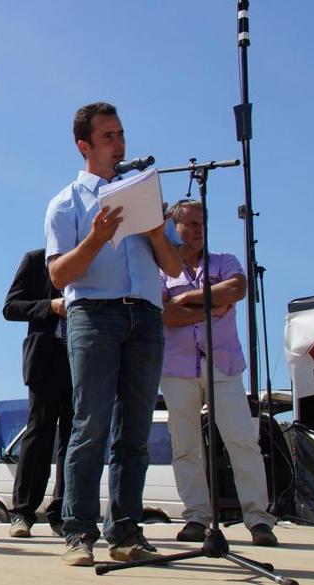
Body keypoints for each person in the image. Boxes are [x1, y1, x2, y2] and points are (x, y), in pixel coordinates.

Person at [45, 102, 182, 566]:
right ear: (84, 146)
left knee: (136, 431)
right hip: (94, 316)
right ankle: (78, 531)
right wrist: (96, 238)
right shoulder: (65, 203)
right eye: (108, 136)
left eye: (121, 134)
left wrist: (160, 232)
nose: (119, 143)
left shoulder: (142, 193)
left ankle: (125, 531)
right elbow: (60, 275)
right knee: (91, 426)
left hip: (144, 316)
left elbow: (174, 266)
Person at [159, 199, 278, 546]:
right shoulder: (161, 269)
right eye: (191, 224)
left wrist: (187, 300)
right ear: (175, 227)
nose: (199, 231)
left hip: (222, 364)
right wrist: (211, 305)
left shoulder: (225, 261)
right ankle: (196, 516)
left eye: (202, 224)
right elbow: (164, 314)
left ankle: (258, 519)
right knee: (185, 444)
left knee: (242, 439)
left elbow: (238, 289)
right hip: (178, 366)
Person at [2, 249, 72, 538]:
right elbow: (11, 307)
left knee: (76, 438)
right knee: (39, 432)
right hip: (46, 358)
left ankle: (65, 513)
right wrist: (51, 306)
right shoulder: (35, 260)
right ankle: (23, 513)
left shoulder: (98, 257)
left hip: (86, 357)